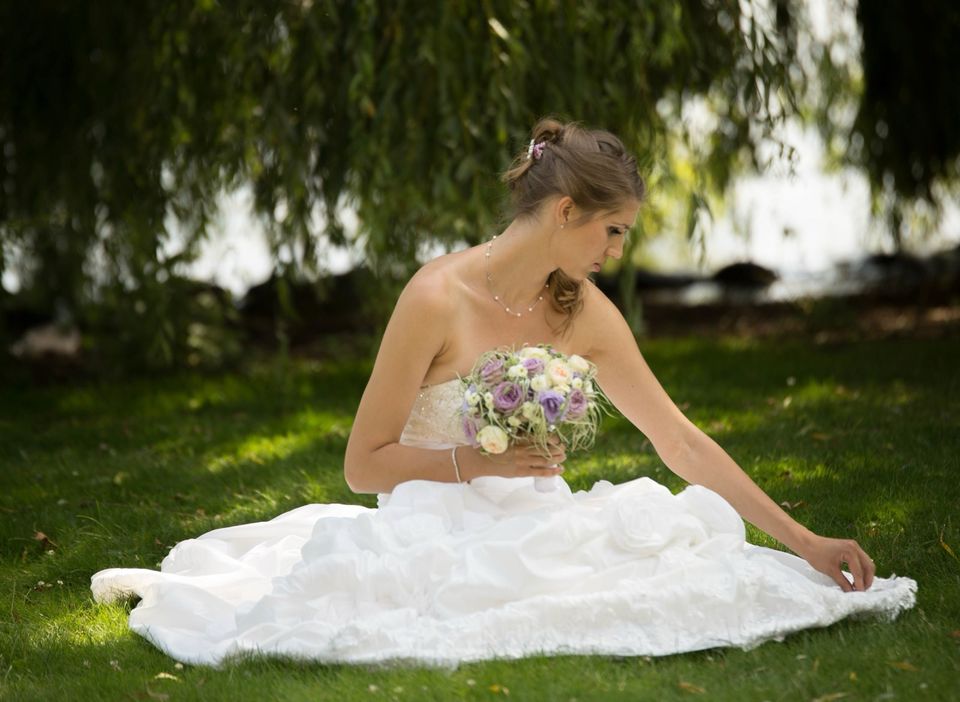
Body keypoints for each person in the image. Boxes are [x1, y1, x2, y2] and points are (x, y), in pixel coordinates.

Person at [91, 118, 916, 668]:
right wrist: (478, 462)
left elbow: (680, 441)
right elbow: (361, 466)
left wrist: (805, 542)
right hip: (430, 524)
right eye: (613, 230)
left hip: (537, 524)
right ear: (565, 209)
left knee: (666, 559)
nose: (616, 252)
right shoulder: (436, 297)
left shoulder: (583, 310)